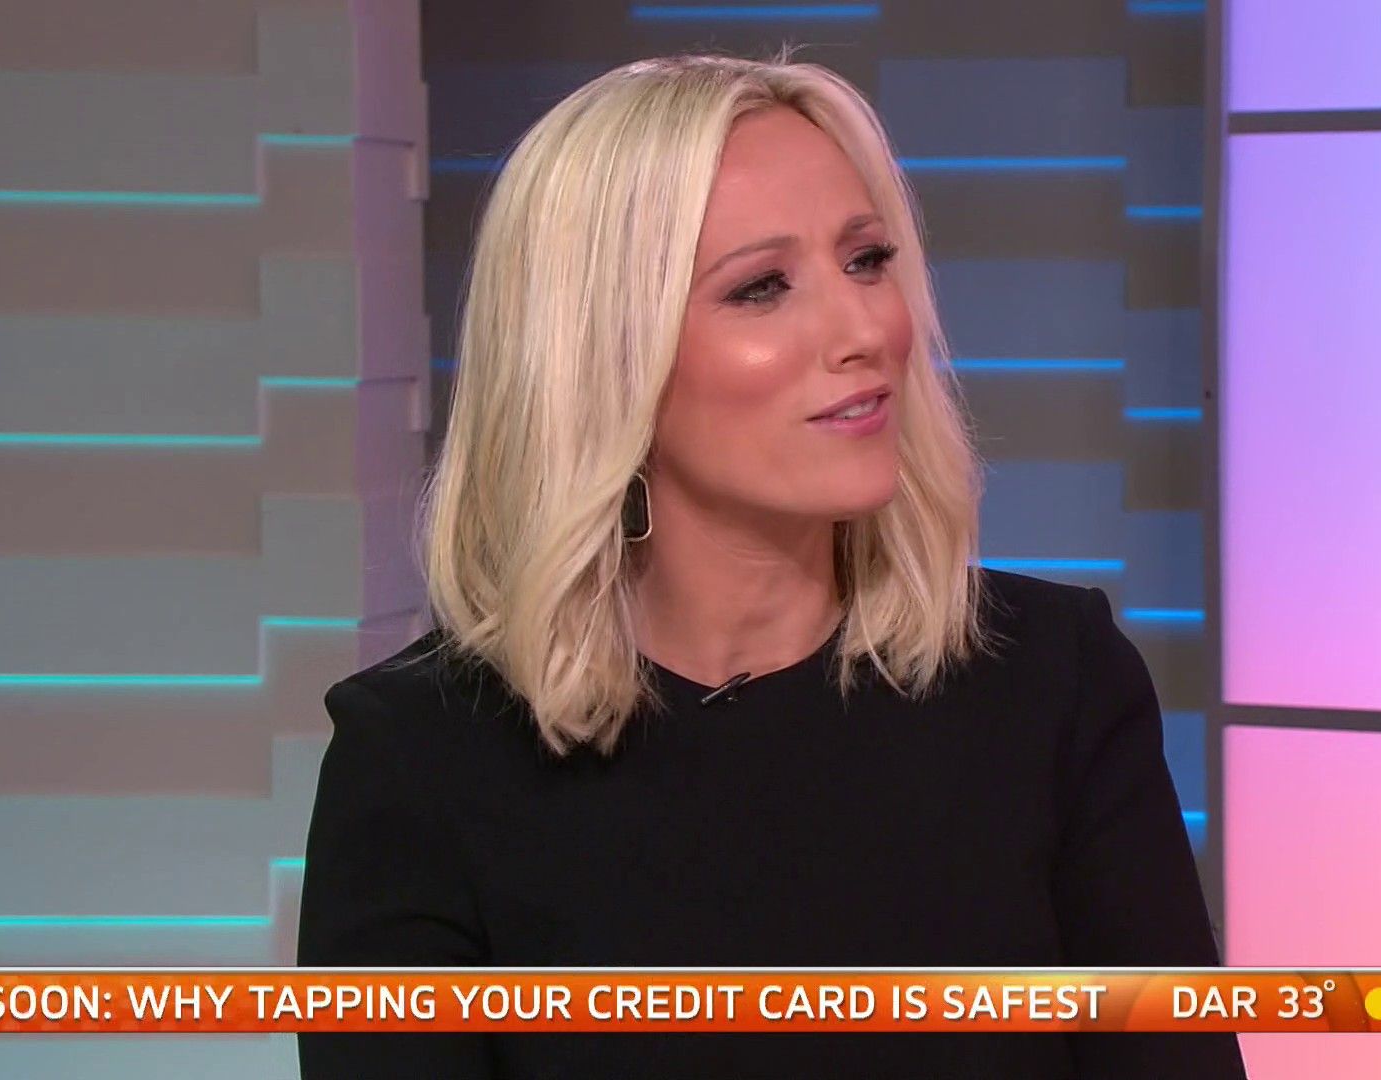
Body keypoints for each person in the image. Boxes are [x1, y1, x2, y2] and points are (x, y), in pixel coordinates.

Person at [296, 51, 1246, 1079]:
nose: (865, 329)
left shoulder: (1057, 687)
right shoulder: (420, 762)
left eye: (867, 260)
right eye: (762, 288)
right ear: (601, 355)